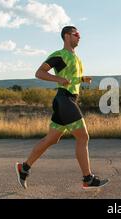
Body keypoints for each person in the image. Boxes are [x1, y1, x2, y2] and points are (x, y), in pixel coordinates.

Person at [15, 26, 109, 190]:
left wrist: (81, 79)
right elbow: (39, 73)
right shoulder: (59, 55)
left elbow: (70, 78)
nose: (79, 37)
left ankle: (24, 168)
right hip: (64, 99)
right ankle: (87, 178)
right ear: (67, 36)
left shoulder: (76, 58)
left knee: (51, 139)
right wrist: (57, 78)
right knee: (83, 137)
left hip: (68, 99)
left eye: (79, 34)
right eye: (76, 34)